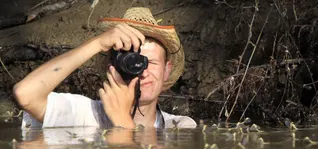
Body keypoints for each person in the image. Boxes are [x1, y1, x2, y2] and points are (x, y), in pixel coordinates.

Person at [13, 7, 197, 129]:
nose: (142, 71)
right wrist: (97, 44)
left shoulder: (179, 126)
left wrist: (122, 121)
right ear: (112, 67)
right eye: (132, 62)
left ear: (166, 70)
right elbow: (25, 94)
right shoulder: (86, 115)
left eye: (152, 62)